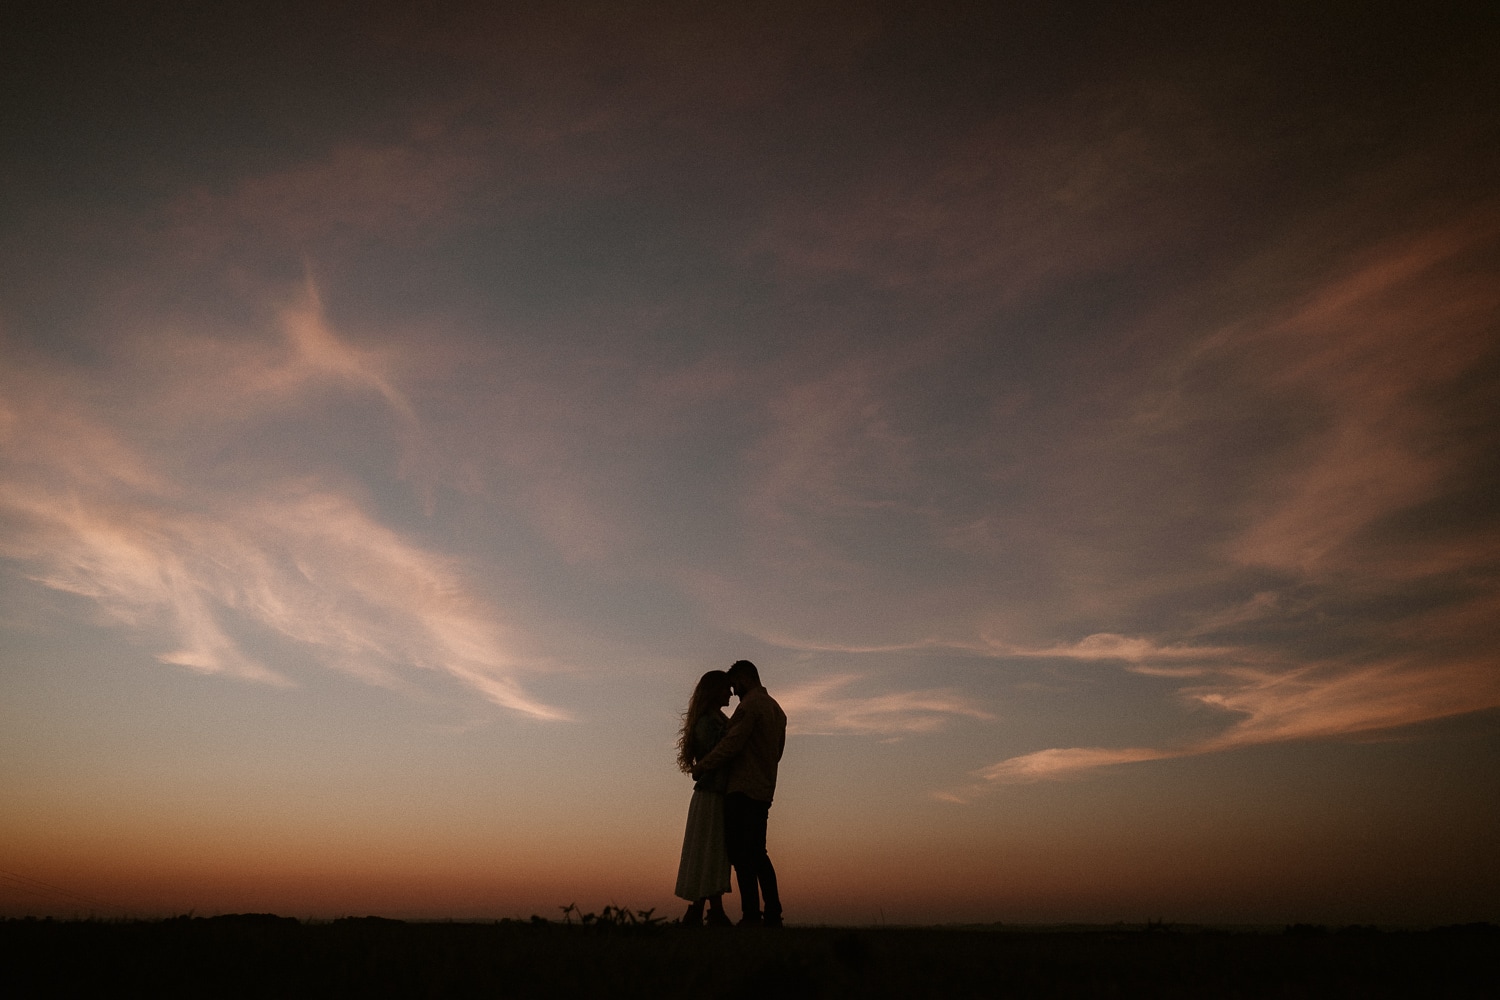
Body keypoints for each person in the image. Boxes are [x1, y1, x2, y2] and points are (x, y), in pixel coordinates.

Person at [692, 659, 786, 927]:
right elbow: (777, 753)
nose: (733, 692)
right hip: (764, 789)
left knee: (741, 855)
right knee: (758, 852)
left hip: (741, 789)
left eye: (734, 685)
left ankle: (752, 915)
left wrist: (702, 766)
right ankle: (773, 913)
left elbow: (731, 745)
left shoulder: (749, 708)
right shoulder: (777, 711)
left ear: (744, 679)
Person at [673, 669, 734, 926]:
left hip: (716, 792)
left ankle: (702, 911)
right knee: (709, 849)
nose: (730, 692)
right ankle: (707, 911)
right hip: (711, 794)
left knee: (712, 850)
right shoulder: (709, 723)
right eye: (725, 688)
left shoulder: (716, 719)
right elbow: (718, 755)